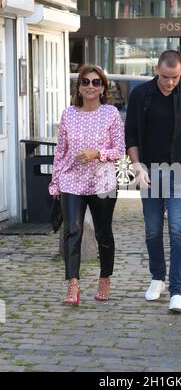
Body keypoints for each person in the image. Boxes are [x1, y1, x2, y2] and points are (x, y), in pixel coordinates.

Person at [125, 50, 181, 313]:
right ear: (156, 69)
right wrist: (137, 166)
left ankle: (177, 291)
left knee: (176, 230)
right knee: (152, 230)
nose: (169, 82)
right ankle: (157, 278)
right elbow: (131, 134)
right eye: (165, 76)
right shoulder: (141, 95)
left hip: (179, 171)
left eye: (175, 77)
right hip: (149, 171)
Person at [49, 64, 125, 305]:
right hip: (71, 181)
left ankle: (104, 278)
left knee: (104, 232)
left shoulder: (111, 113)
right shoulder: (68, 114)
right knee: (73, 230)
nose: (90, 86)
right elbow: (60, 152)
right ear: (79, 87)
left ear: (103, 87)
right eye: (85, 82)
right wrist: (55, 182)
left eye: (96, 82)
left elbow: (119, 151)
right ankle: (72, 285)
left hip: (102, 182)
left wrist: (97, 153)